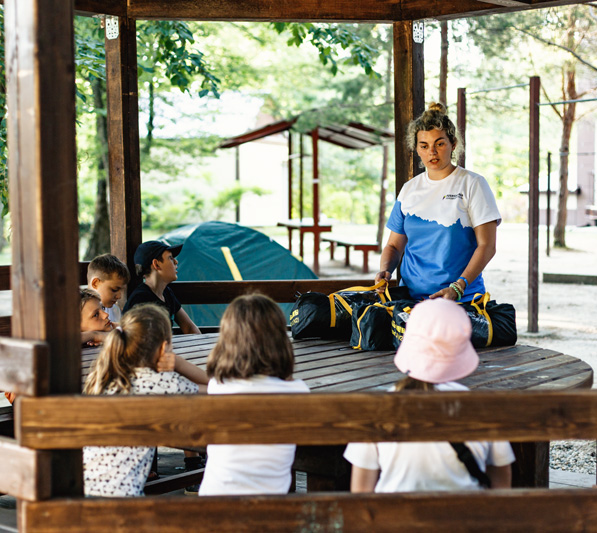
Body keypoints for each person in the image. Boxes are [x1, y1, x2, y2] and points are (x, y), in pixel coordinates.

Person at [344, 298, 514, 492]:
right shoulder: (484, 410)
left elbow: (361, 490)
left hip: (394, 519)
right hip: (466, 519)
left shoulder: (377, 410)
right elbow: (501, 484)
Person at [376, 102, 501, 303]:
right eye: (424, 146)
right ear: (416, 149)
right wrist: (385, 270)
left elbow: (487, 246)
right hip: (410, 301)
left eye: (439, 144)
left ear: (453, 144)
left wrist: (458, 287)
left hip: (460, 299)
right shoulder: (409, 189)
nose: (432, 152)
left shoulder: (473, 184)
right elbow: (393, 245)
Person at [82, 304, 203, 497]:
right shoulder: (156, 379)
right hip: (119, 500)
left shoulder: (108, 374)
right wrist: (178, 363)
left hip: (82, 492)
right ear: (164, 347)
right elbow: (217, 389)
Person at [199, 294, 309, 496]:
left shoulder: (218, 387)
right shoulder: (298, 392)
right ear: (279, 341)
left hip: (213, 506)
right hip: (269, 511)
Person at [123, 240, 201, 334]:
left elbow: (189, 327)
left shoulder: (167, 293)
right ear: (156, 264)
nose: (176, 262)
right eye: (170, 258)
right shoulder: (140, 300)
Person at [87, 253, 130, 325]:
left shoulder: (115, 311)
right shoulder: (77, 312)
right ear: (95, 283)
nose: (119, 296)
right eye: (114, 290)